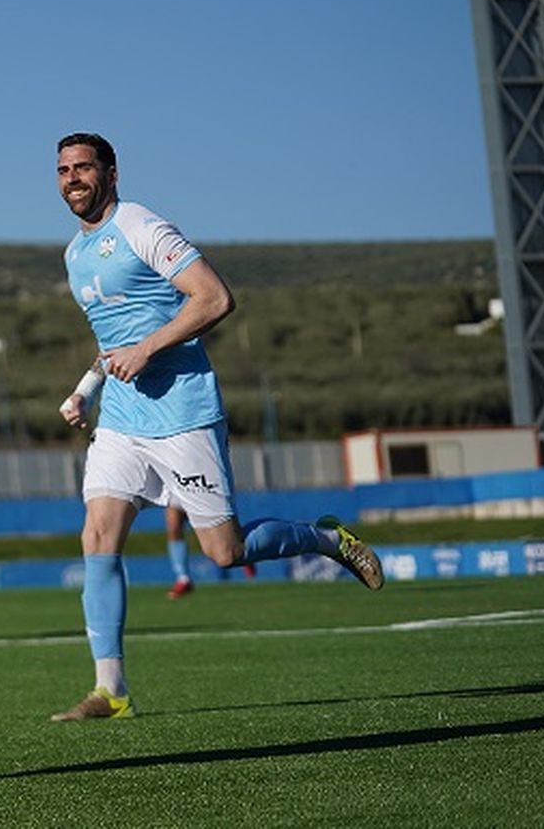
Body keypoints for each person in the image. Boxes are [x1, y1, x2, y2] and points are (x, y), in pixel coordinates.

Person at [51, 132, 384, 723]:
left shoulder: (141, 227)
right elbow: (113, 344)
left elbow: (214, 297)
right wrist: (85, 390)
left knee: (225, 552)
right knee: (98, 536)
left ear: (112, 171)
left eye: (83, 167)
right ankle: (111, 690)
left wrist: (151, 348)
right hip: (123, 421)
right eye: (63, 170)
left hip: (182, 412)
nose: (73, 178)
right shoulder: (75, 255)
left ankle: (326, 538)